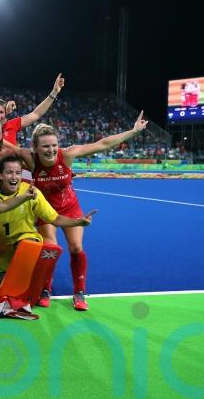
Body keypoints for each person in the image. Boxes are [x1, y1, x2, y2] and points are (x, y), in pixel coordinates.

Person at [13, 112, 147, 310]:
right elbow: (4, 145)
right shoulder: (30, 159)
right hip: (45, 210)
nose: (51, 150)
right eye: (45, 146)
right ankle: (45, 288)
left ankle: (79, 292)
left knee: (76, 247)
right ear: (35, 147)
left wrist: (133, 132)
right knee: (50, 247)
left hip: (69, 206)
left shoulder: (67, 155)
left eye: (53, 145)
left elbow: (102, 144)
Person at [0, 155, 96, 289]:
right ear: (0, 175)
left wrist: (78, 222)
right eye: (9, 172)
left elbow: (55, 218)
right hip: (0, 253)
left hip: (25, 240)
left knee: (26, 247)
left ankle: (39, 283)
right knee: (0, 284)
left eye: (18, 173)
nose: (14, 177)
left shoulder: (32, 192)